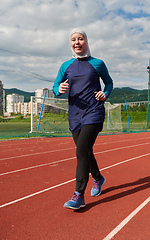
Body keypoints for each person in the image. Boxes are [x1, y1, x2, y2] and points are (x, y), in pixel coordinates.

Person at [53, 28, 113, 210]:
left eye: (80, 39)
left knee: (81, 151)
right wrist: (59, 89)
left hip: (94, 112)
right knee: (85, 150)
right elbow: (56, 86)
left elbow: (109, 82)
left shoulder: (97, 63)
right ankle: (98, 178)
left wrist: (105, 93)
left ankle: (79, 194)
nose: (77, 42)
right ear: (70, 43)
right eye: (73, 39)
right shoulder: (65, 66)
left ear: (86, 41)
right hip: (74, 115)